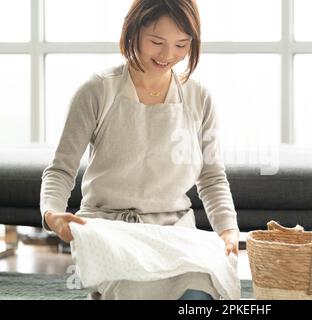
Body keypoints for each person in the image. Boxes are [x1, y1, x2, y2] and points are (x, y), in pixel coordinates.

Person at [40, 0, 239, 300]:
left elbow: (211, 177)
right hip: (109, 231)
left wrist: (228, 230)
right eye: (157, 42)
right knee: (136, 290)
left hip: (174, 232)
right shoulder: (97, 90)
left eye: (181, 45)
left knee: (201, 292)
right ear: (133, 31)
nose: (168, 55)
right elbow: (61, 169)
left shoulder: (199, 97)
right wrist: (53, 215)